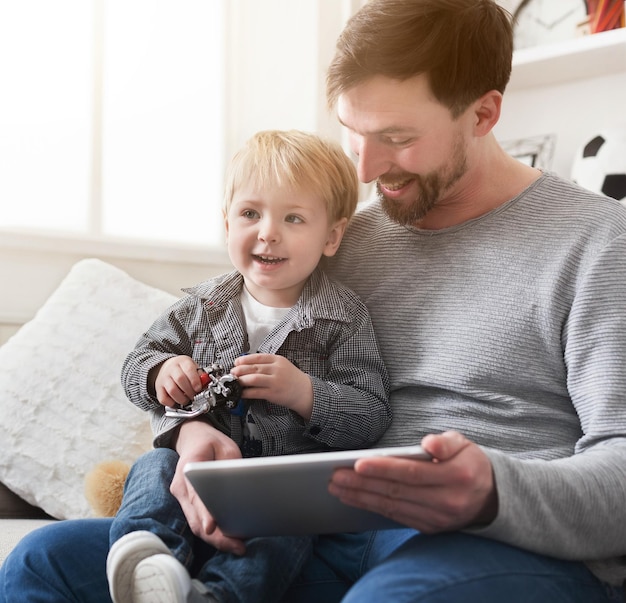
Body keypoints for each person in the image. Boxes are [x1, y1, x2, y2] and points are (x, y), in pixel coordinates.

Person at [2, 1, 626, 602]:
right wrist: (192, 431)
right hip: (310, 529)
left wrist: (495, 491)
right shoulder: (335, 244)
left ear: (484, 113)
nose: (365, 170)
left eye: (397, 136)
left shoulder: (599, 243)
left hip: (494, 543)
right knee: (44, 562)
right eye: (353, 133)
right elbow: (211, 357)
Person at [104, 129, 391, 603]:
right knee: (154, 464)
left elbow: (371, 414)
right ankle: (147, 562)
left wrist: (305, 393)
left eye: (294, 218)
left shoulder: (343, 316)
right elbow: (136, 365)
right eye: (250, 214)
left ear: (332, 236)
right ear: (226, 224)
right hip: (195, 469)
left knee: (292, 522)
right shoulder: (201, 305)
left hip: (277, 486)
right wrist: (160, 373)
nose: (268, 232)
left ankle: (218, 595)